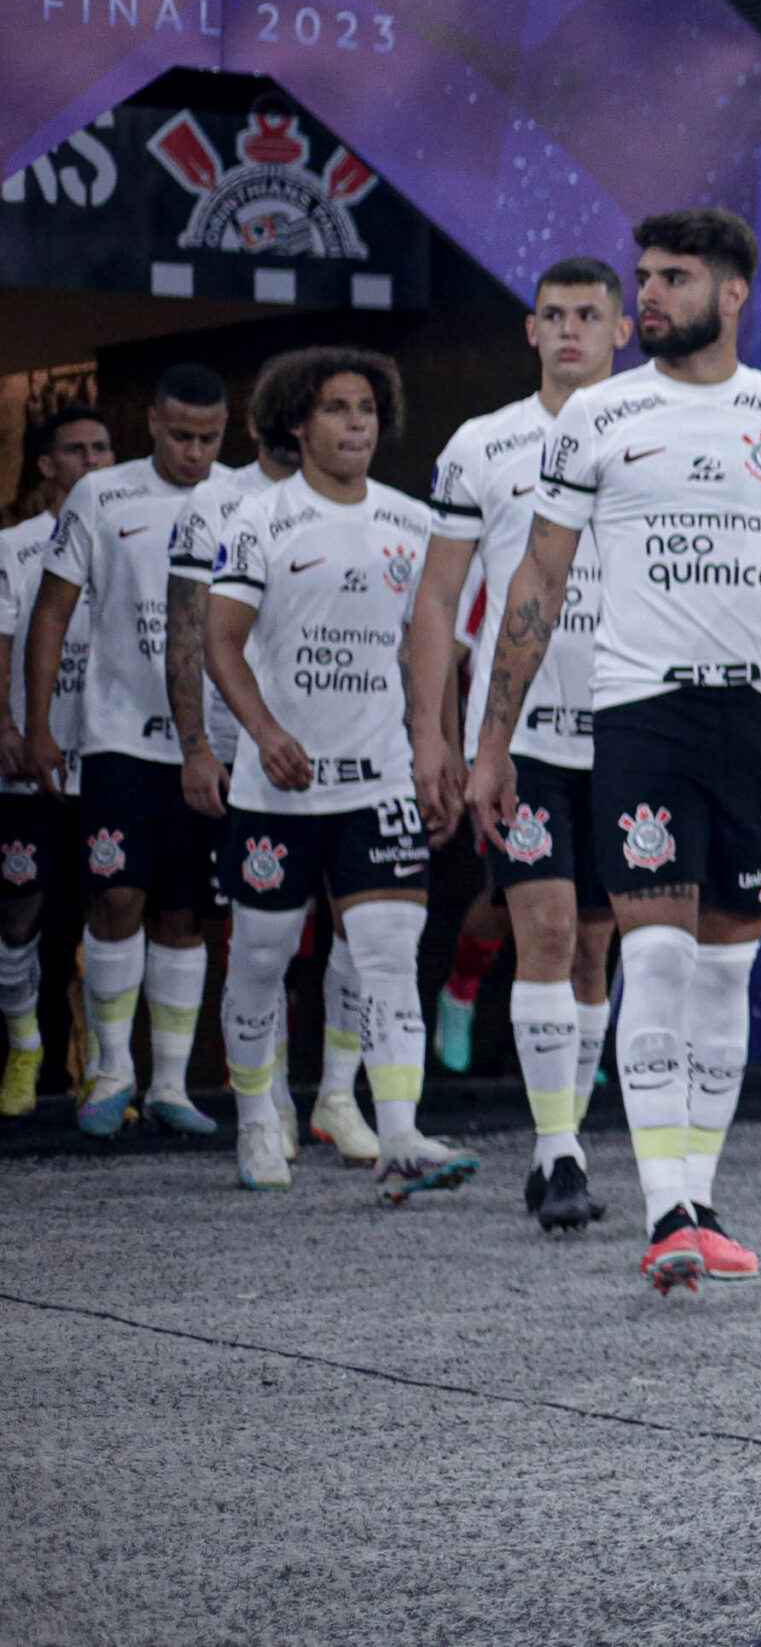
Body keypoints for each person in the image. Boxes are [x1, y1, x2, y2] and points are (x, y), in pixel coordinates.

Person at [467, 209, 761, 1294]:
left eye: (671, 278)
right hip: (641, 716)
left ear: (734, 293)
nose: (645, 295)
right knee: (652, 952)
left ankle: (696, 1199)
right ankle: (664, 1206)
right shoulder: (601, 415)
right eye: (643, 276)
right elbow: (537, 584)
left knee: (725, 969)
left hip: (756, 722)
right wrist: (492, 742)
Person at [206, 352, 478, 1200]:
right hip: (276, 788)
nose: (357, 424)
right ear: (297, 420)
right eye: (337, 409)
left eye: (367, 409)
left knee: (388, 959)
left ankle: (396, 1132)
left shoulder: (409, 520)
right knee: (262, 956)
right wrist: (264, 730)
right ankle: (259, 1120)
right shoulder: (260, 518)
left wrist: (438, 743)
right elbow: (220, 640)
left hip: (379, 782)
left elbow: (429, 640)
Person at [412, 256, 632, 1232]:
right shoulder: (480, 445)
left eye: (591, 313)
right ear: (530, 331)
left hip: (631, 729)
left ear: (621, 328)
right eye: (555, 315)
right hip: (523, 736)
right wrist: (435, 734)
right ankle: (560, 1153)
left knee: (594, 947)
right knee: (541, 930)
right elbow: (433, 598)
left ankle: (566, 1129)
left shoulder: (653, 437)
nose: (572, 329)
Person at [21, 366, 231, 1140]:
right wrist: (41, 723)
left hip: (208, 746)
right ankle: (112, 1071)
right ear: (150, 421)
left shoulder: (240, 496)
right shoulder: (102, 496)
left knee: (185, 911)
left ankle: (172, 1083)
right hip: (114, 735)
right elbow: (51, 611)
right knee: (115, 896)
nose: (194, 451)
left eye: (209, 437)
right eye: (180, 434)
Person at [163, 376, 370, 1159]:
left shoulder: (376, 509)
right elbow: (191, 635)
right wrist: (198, 747)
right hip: (246, 755)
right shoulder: (219, 506)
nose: (336, 423)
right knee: (265, 942)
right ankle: (271, 1102)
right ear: (271, 422)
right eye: (318, 408)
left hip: (356, 760)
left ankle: (338, 1098)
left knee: (361, 929)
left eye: (356, 409)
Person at [0, 405, 114, 1118]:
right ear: (46, 465)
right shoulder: (14, 546)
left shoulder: (133, 537)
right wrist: (8, 723)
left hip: (111, 757)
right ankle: (22, 1045)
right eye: (76, 450)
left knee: (111, 907)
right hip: (29, 761)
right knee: (20, 910)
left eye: (103, 448)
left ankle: (107, 1066)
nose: (94, 461)